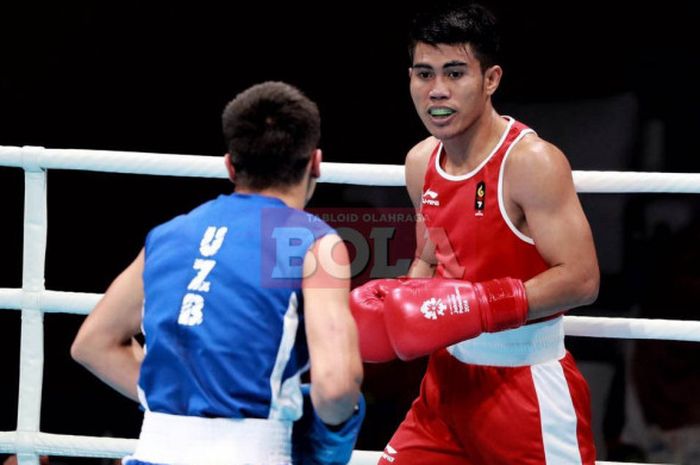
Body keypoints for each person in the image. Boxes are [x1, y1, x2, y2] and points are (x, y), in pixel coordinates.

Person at [349, 2, 600, 464]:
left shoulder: (531, 163)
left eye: (455, 73)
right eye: (424, 74)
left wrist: (482, 306)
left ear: (491, 79)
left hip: (524, 386)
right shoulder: (420, 162)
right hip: (445, 386)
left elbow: (582, 279)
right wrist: (401, 307)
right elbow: (431, 254)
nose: (437, 91)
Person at [71, 81, 364, 465]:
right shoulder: (312, 242)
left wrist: (177, 404)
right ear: (315, 163)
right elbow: (336, 386)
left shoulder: (167, 235)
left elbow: (92, 344)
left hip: (150, 454)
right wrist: (331, 441)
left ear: (230, 165)